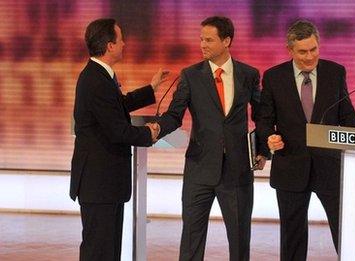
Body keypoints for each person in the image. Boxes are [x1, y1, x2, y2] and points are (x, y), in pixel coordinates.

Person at [256, 20, 355, 260]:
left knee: (345, 232)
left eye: (314, 49)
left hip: (329, 165)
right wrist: (270, 139)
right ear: (290, 50)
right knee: (292, 237)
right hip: (290, 165)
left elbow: (347, 115)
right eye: (303, 52)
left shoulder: (335, 72)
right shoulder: (273, 77)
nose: (310, 57)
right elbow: (264, 119)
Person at [151, 16, 267, 261]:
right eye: (201, 39)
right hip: (199, 169)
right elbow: (174, 116)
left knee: (239, 241)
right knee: (192, 239)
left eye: (209, 40)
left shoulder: (248, 75)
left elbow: (262, 117)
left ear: (226, 41)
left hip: (237, 171)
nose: (202, 44)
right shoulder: (190, 76)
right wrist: (153, 130)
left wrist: (263, 150)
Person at [69, 18, 167, 261]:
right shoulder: (95, 79)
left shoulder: (99, 76)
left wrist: (150, 88)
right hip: (99, 183)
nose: (125, 43)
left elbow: (117, 106)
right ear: (110, 45)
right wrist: (149, 134)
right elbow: (117, 130)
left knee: (108, 250)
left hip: (105, 184)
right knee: (99, 251)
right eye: (121, 39)